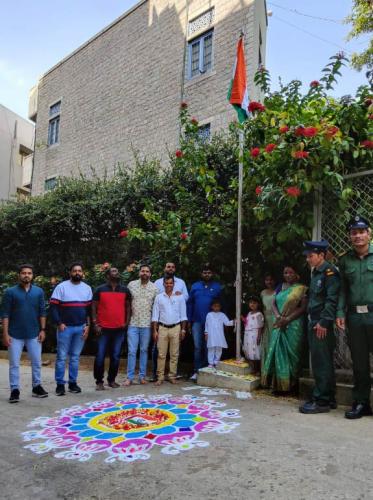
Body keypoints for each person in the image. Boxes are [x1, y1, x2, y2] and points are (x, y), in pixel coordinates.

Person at [336, 215, 373, 419]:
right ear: (350, 236)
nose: (358, 236)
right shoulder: (345, 260)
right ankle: (361, 403)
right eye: (354, 232)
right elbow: (342, 290)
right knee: (359, 363)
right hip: (355, 318)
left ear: (369, 233)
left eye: (361, 231)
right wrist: (340, 312)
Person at [299, 240, 340, 414]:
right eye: (307, 256)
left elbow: (332, 299)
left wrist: (324, 322)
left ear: (321, 255)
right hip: (315, 320)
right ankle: (328, 397)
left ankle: (321, 400)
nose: (308, 259)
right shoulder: (316, 272)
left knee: (320, 362)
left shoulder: (329, 272)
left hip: (320, 323)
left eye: (311, 256)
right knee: (323, 361)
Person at [1, 264, 48, 403]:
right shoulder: (10, 292)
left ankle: (36, 387)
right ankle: (15, 390)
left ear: (32, 275)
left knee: (37, 362)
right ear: (19, 275)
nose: (26, 275)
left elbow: (42, 312)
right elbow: (5, 314)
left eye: (29, 273)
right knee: (14, 364)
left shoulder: (38, 292)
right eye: (23, 273)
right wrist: (5, 334)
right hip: (14, 334)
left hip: (34, 333)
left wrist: (43, 330)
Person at [262, 266, 307, 393]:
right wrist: (278, 316)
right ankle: (278, 386)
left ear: (296, 274)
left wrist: (287, 319)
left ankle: (292, 386)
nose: (287, 275)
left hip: (294, 325)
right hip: (279, 322)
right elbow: (273, 303)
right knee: (277, 351)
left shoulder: (301, 288)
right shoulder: (280, 287)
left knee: (293, 354)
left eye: (290, 272)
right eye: (285, 272)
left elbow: (303, 307)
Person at [50, 262, 92, 396]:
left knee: (75, 358)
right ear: (70, 273)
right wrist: (59, 323)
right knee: (62, 357)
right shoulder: (61, 287)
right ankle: (60, 385)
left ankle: (73, 383)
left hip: (81, 327)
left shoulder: (87, 288)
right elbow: (54, 307)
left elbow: (89, 310)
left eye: (79, 271)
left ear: (82, 273)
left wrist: (88, 326)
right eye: (75, 271)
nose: (77, 273)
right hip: (65, 328)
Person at [92, 267, 131, 390]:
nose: (117, 272)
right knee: (100, 356)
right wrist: (95, 324)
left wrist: (127, 322)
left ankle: (111, 380)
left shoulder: (125, 290)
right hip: (103, 329)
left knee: (115, 356)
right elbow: (93, 308)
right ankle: (99, 382)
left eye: (117, 271)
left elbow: (129, 307)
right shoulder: (99, 290)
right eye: (113, 271)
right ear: (108, 275)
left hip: (119, 329)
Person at [151, 262, 188, 381]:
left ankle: (172, 376)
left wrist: (183, 329)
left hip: (176, 328)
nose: (168, 285)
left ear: (174, 284)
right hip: (162, 328)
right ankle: (160, 376)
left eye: (171, 283)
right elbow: (155, 315)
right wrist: (155, 330)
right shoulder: (159, 297)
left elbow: (183, 315)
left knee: (174, 354)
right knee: (161, 354)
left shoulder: (180, 297)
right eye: (166, 283)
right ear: (163, 284)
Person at [188, 264, 222, 380]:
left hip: (212, 323)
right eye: (204, 272)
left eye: (209, 272)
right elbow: (190, 303)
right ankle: (197, 371)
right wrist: (189, 320)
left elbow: (222, 304)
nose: (206, 274)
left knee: (210, 346)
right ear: (201, 274)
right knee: (197, 346)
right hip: (197, 321)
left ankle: (207, 371)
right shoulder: (195, 286)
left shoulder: (217, 287)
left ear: (212, 274)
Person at [125, 264, 158, 386]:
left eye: (147, 271)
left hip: (147, 324)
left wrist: (155, 326)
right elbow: (126, 303)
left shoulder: (155, 288)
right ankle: (129, 377)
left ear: (150, 274)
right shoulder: (131, 285)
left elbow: (156, 308)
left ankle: (142, 377)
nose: (144, 273)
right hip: (132, 323)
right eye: (142, 271)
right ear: (139, 273)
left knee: (144, 350)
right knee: (132, 351)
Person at [204, 299, 234, 367]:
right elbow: (207, 325)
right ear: (212, 307)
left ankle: (216, 361)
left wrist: (234, 321)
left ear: (220, 307)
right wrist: (206, 333)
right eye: (215, 306)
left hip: (219, 335)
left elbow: (227, 323)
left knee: (219, 348)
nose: (216, 308)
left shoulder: (222, 315)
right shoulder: (209, 314)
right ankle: (211, 363)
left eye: (218, 306)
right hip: (211, 335)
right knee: (211, 348)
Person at [242, 296, 264, 375]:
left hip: (254, 334)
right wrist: (242, 319)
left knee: (256, 352)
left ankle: (258, 370)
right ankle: (253, 369)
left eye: (254, 303)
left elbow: (260, 326)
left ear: (258, 304)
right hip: (248, 334)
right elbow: (247, 323)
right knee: (249, 351)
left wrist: (258, 337)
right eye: (251, 303)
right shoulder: (249, 313)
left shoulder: (259, 314)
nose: (252, 304)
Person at [260, 273, 276, 382]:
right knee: (265, 345)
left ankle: (275, 376)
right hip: (265, 321)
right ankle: (265, 376)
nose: (269, 282)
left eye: (271, 280)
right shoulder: (262, 293)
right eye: (267, 280)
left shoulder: (278, 292)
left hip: (275, 320)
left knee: (274, 345)